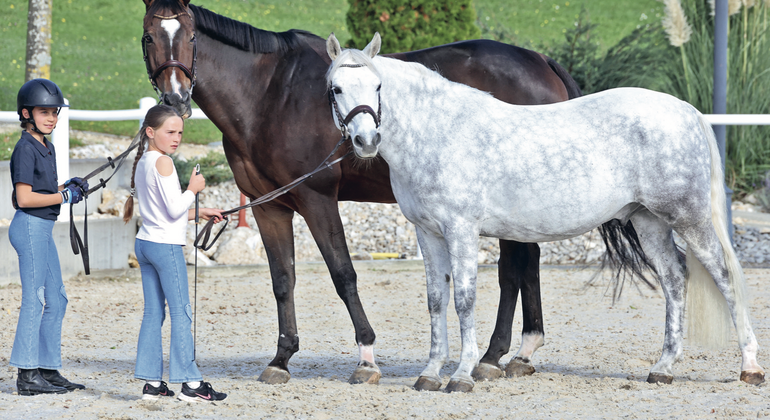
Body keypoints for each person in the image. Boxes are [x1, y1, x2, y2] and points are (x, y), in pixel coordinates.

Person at [123, 104, 227, 403]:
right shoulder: (165, 163)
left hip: (146, 244)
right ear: (151, 132)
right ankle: (191, 383)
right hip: (165, 247)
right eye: (170, 131)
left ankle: (152, 383)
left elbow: (163, 211)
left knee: (153, 313)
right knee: (181, 313)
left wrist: (201, 212)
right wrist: (194, 189)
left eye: (180, 132)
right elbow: (173, 208)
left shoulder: (144, 159)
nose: (176, 137)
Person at [9, 78, 88, 395]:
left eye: (54, 112)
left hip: (43, 227)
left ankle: (47, 368)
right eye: (44, 112)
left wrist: (68, 187)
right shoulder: (25, 149)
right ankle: (26, 376)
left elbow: (44, 190)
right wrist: (64, 198)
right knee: (35, 299)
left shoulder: (47, 146)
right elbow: (25, 198)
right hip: (29, 226)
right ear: (27, 113)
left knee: (56, 299)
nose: (52, 118)